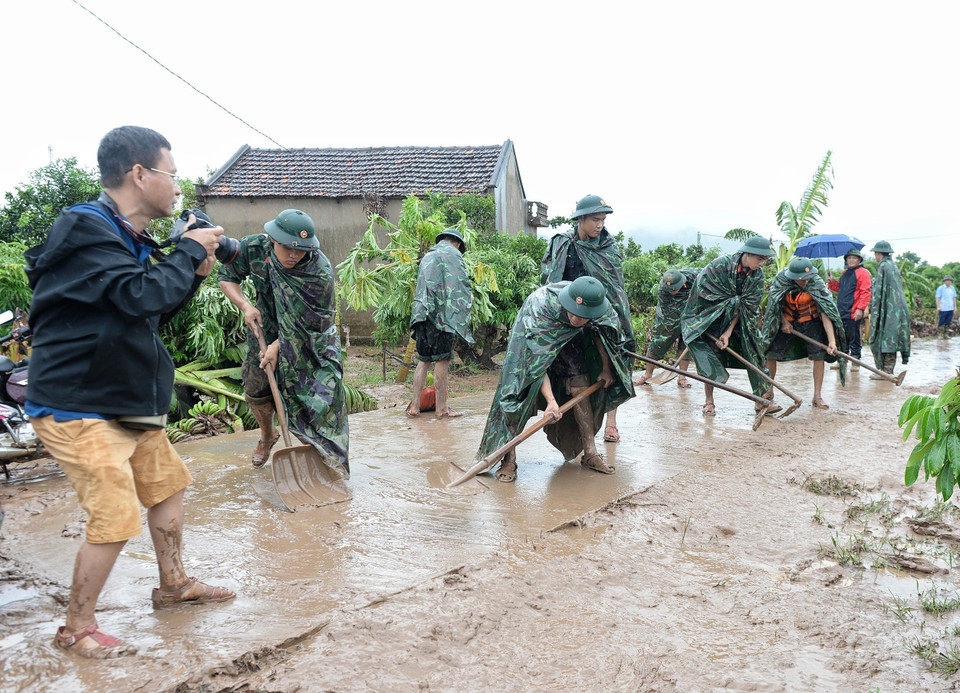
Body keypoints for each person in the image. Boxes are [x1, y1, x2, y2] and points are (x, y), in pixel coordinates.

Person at [23, 126, 235, 658]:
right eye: (172, 174)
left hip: (122, 396)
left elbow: (150, 309)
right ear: (140, 174)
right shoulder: (84, 227)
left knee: (167, 485)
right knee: (116, 514)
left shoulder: (126, 237)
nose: (178, 186)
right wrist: (186, 250)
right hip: (79, 402)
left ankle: (174, 584)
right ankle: (77, 626)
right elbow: (140, 296)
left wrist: (192, 270)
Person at [219, 209, 349, 477]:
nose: (294, 255)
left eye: (300, 249)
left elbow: (316, 322)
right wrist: (245, 306)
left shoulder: (319, 271)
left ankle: (324, 458)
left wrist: (280, 346)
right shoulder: (255, 248)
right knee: (256, 389)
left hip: (310, 339)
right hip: (264, 329)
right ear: (272, 239)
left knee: (320, 398)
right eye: (287, 247)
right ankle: (268, 435)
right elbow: (227, 276)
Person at [475, 277, 634, 483]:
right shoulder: (540, 307)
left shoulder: (601, 308)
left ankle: (590, 453)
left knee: (581, 385)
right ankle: (509, 459)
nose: (576, 318)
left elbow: (601, 334)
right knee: (517, 398)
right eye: (573, 312)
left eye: (582, 316)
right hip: (531, 339)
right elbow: (537, 362)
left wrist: (605, 368)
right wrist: (551, 401)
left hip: (570, 338)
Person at [541, 195, 635, 443]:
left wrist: (611, 321)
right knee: (568, 374)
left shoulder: (608, 247)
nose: (600, 225)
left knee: (613, 363)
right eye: (595, 219)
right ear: (580, 219)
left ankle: (611, 424)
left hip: (600, 314)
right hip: (568, 316)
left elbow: (614, 289)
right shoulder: (561, 243)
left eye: (603, 220)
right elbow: (548, 279)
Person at [681, 236, 774, 416]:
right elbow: (701, 292)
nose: (761, 263)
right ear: (748, 253)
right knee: (709, 357)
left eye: (764, 260)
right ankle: (709, 402)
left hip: (739, 318)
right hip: (711, 317)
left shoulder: (757, 275)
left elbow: (747, 305)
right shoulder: (720, 265)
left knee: (755, 352)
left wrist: (728, 332)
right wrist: (707, 323)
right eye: (759, 259)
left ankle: (761, 400)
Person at [405, 228, 474, 418]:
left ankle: (414, 407)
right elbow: (459, 284)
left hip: (421, 315)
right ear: (457, 244)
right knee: (442, 359)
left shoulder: (428, 255)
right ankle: (441, 409)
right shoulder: (453, 254)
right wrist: (468, 300)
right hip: (441, 317)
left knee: (424, 360)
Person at [761, 258, 845, 410]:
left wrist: (832, 342)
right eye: (801, 279)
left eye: (807, 278)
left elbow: (826, 312)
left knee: (819, 356)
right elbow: (774, 305)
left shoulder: (817, 283)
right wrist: (784, 322)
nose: (805, 282)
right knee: (770, 354)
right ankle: (768, 393)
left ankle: (817, 396)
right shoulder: (782, 280)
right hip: (785, 320)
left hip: (810, 322)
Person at [634, 268, 699, 388]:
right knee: (658, 341)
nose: (671, 291)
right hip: (669, 316)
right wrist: (679, 323)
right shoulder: (663, 291)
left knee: (687, 342)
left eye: (674, 289)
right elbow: (669, 315)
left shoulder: (693, 276)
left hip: (691, 311)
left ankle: (682, 377)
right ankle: (647, 374)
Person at [867, 241, 910, 376]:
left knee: (883, 338)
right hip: (899, 309)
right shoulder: (893, 265)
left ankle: (885, 372)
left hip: (888, 309)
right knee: (891, 339)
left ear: (878, 254)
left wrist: (873, 309)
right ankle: (887, 371)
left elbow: (878, 291)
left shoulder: (883, 266)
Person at [826, 247, 871, 370]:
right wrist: (831, 282)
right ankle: (842, 360)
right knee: (842, 337)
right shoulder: (844, 273)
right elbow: (840, 289)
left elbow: (865, 292)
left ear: (859, 260)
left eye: (854, 258)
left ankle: (855, 362)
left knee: (854, 337)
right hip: (841, 310)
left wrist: (860, 309)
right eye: (849, 258)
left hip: (853, 311)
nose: (851, 260)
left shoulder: (863, 272)